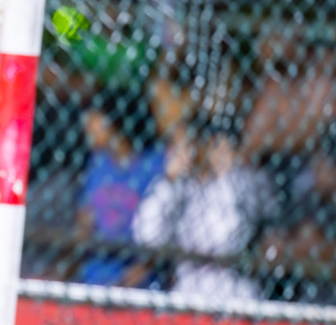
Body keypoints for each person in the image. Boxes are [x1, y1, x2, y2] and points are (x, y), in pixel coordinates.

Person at [133, 122, 269, 302]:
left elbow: (226, 240)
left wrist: (225, 173)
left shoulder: (241, 180)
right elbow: (146, 236)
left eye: (186, 146)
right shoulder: (176, 186)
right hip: (187, 291)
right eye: (175, 147)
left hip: (234, 293)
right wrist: (169, 182)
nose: (180, 154)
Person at [76, 102, 163, 285]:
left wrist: (132, 277)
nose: (86, 129)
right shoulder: (98, 163)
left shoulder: (152, 164)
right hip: (96, 274)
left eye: (93, 121)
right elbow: (84, 222)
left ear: (113, 124)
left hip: (139, 278)